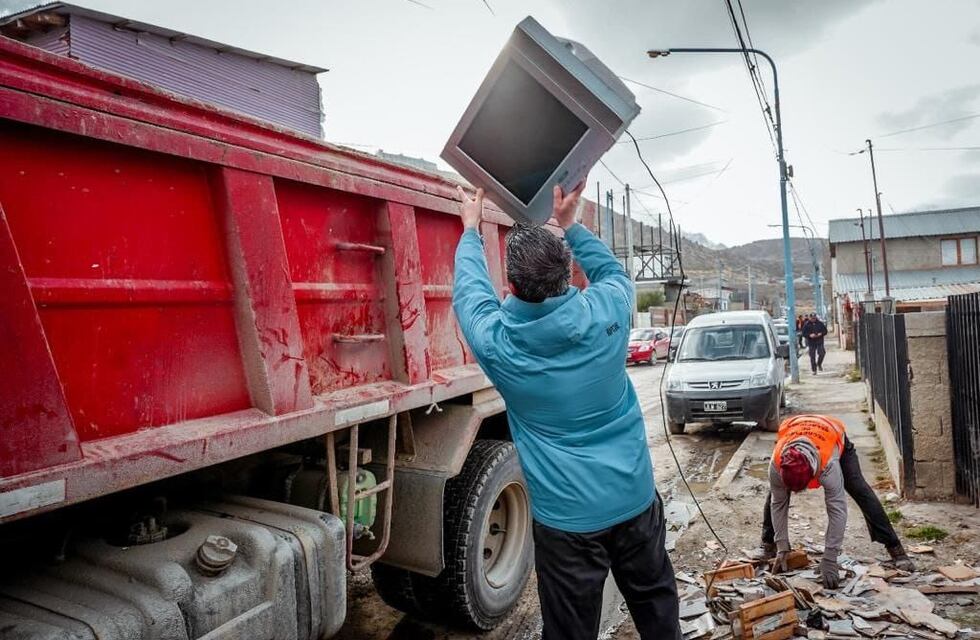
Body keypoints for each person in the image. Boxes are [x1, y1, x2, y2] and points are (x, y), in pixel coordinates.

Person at [452, 184, 678, 640]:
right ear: (569, 274)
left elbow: (470, 296)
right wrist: (571, 224)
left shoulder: (500, 346)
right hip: (633, 499)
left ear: (511, 288)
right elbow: (613, 271)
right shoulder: (609, 311)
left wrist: (471, 230)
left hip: (567, 524)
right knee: (657, 608)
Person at [761, 414, 915, 589]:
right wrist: (782, 545)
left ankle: (896, 548)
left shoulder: (828, 465)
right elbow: (778, 504)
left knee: (858, 488)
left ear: (814, 473)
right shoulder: (776, 464)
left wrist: (830, 558)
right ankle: (769, 545)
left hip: (832, 435)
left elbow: (837, 510)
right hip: (795, 429)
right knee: (775, 494)